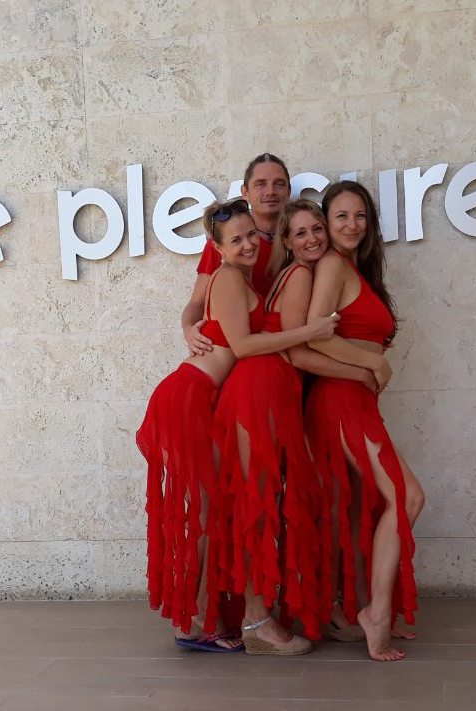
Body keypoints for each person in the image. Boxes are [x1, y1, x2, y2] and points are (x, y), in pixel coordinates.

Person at [136, 197, 336, 653]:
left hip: (201, 396)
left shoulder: (239, 278)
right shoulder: (226, 278)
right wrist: (310, 332)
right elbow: (243, 347)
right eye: (236, 240)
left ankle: (198, 621)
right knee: (206, 513)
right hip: (188, 397)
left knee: (211, 513)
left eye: (251, 236)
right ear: (219, 249)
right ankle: (197, 623)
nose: (247, 245)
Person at [304, 180, 426, 662]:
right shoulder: (332, 264)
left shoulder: (356, 269)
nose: (352, 224)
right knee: (407, 496)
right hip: (340, 400)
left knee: (370, 507)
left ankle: (368, 608)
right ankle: (375, 613)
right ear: (327, 222)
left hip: (357, 401)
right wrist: (372, 362)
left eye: (360, 216)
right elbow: (316, 335)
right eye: (341, 216)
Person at [262, 200, 382, 643]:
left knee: (322, 506)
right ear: (287, 241)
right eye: (301, 233)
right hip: (278, 395)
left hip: (291, 395)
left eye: (316, 228)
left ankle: (321, 607)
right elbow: (300, 354)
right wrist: (363, 371)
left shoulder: (307, 274)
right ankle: (311, 610)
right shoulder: (300, 275)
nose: (313, 238)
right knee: (313, 509)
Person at [181, 153, 292, 356]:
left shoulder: (300, 242)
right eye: (260, 184)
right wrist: (189, 330)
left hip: (285, 353)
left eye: (279, 184)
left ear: (289, 191)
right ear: (245, 192)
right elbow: (197, 302)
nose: (270, 191)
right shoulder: (224, 247)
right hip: (235, 358)